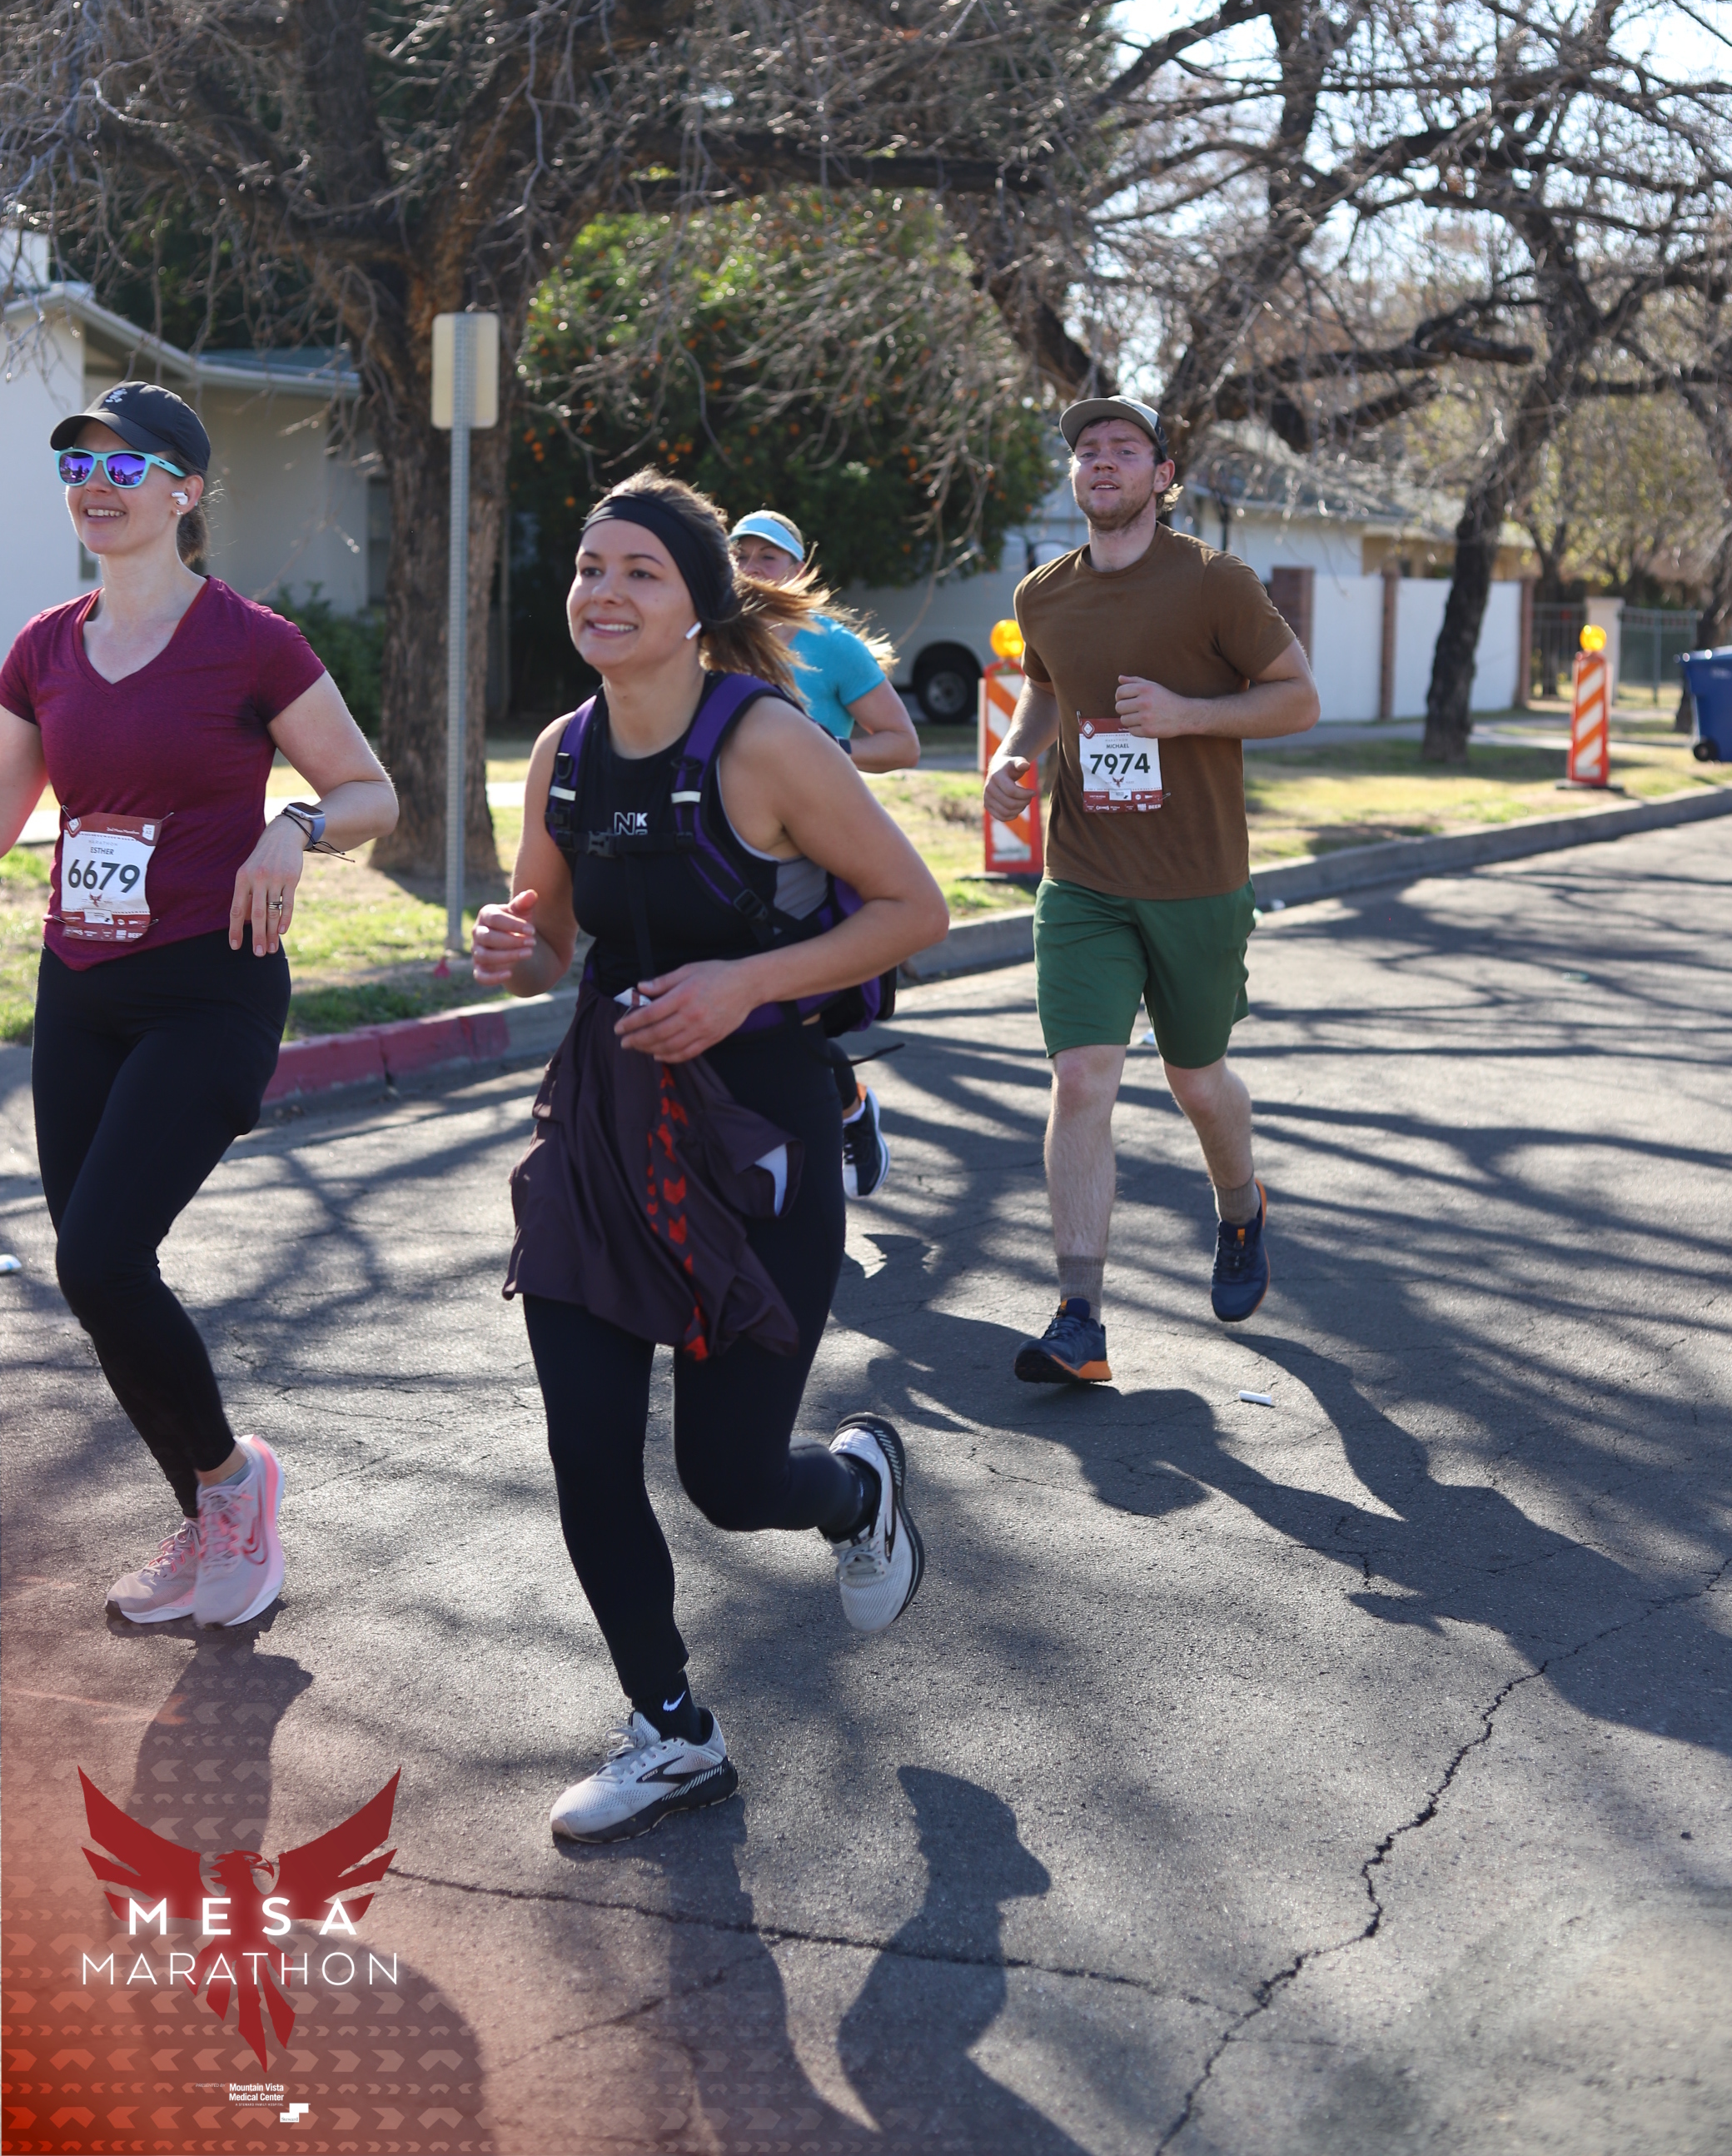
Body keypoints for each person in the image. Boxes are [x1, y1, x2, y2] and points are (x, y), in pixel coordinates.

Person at [474, 471, 948, 1845]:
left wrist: (744, 985)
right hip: (604, 1127)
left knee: (730, 1483)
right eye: (589, 567)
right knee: (586, 1447)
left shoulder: (767, 742)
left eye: (641, 572)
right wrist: (517, 949)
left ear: (697, 608)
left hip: (759, 1132)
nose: (603, 592)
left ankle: (855, 1491)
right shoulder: (562, 752)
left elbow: (911, 908)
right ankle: (672, 1732)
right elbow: (551, 941)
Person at [0, 383, 398, 1624]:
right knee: (96, 1278)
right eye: (79, 466)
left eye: (127, 466)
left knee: (103, 1255)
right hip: (81, 987)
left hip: (210, 986)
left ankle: (231, 1491)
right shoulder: (42, 649)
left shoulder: (251, 643)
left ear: (184, 491)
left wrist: (294, 826)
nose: (97, 485)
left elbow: (371, 792)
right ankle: (211, 1509)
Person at [983, 398, 1320, 1385]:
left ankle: (1239, 1208)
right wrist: (1016, 755)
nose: (1102, 461)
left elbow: (1297, 699)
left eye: (1124, 450)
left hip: (1196, 879)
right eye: (1087, 450)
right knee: (1082, 1078)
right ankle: (1078, 1318)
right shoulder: (1042, 594)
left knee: (1195, 1082)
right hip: (1083, 876)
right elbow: (1048, 688)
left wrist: (1184, 714)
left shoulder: (1215, 582)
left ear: (1161, 476)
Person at [729, 507, 919, 1199]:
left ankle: (846, 1112)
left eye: (769, 556)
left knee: (788, 1013)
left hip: (818, 853)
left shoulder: (832, 646)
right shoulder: (708, 638)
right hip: (729, 849)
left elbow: (902, 743)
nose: (752, 567)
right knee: (742, 1013)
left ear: (798, 568)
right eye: (741, 554)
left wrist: (828, 751)